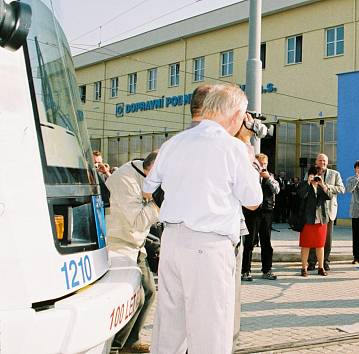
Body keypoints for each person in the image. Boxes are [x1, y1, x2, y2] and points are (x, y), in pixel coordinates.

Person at [142, 83, 262, 354]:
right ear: (235, 116)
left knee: (170, 326)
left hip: (171, 241)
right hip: (208, 246)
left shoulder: (173, 142)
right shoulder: (233, 148)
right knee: (210, 329)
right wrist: (247, 151)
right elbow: (254, 201)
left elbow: (148, 189)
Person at [106, 152, 160, 353]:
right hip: (118, 244)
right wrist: (156, 203)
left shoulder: (146, 177)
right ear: (153, 170)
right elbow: (137, 220)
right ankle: (114, 346)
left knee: (149, 292)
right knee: (131, 298)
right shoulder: (126, 180)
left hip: (135, 244)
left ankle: (131, 341)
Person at [241, 153, 279, 281]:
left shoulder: (271, 176)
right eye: (260, 163)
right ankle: (245, 271)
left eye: (265, 164)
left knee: (266, 242)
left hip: (267, 212)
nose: (263, 166)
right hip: (252, 212)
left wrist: (268, 178)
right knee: (249, 242)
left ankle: (267, 270)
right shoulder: (249, 176)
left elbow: (277, 190)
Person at [307, 153, 345, 271]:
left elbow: (342, 189)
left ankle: (325, 261)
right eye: (320, 161)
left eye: (324, 161)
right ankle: (312, 261)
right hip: (314, 210)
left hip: (329, 210)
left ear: (327, 163)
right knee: (313, 237)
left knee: (327, 238)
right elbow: (304, 187)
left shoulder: (335, 174)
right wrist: (310, 182)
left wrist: (325, 186)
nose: (322, 163)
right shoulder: (311, 173)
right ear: (316, 162)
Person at [296, 166, 331, 276]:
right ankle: (303, 268)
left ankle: (321, 268)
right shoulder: (304, 185)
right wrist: (308, 183)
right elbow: (301, 195)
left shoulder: (322, 185)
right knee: (305, 245)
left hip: (321, 219)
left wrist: (322, 185)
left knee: (320, 245)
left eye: (318, 175)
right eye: (314, 175)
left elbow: (329, 196)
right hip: (307, 220)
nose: (316, 177)